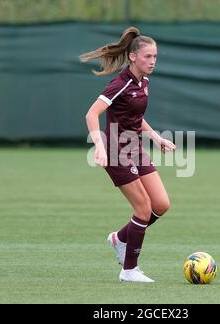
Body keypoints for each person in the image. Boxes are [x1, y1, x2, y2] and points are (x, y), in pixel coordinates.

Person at [81, 26, 176, 283]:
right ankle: (129, 270)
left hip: (134, 148)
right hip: (115, 151)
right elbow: (91, 114)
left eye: (155, 56)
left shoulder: (144, 81)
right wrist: (100, 147)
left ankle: (120, 238)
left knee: (161, 205)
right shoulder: (119, 84)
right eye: (148, 56)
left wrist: (156, 138)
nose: (153, 61)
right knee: (143, 208)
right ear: (133, 57)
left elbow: (137, 117)